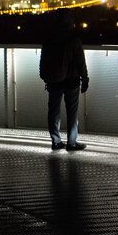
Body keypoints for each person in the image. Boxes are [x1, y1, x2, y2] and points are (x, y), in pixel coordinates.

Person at [39, 8, 89, 151]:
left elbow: (43, 57)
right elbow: (80, 60)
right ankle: (72, 142)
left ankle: (56, 141)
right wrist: (85, 77)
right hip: (71, 79)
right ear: (69, 19)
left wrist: (44, 74)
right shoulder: (73, 37)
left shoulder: (49, 37)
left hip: (53, 79)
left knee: (54, 110)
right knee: (72, 112)